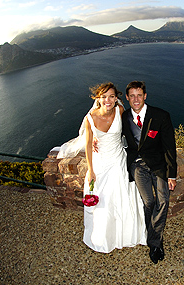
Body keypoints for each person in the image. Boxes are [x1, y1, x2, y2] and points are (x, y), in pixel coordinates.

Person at [61, 82, 146, 253]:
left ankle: (127, 235)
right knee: (104, 201)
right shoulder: (90, 118)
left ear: (116, 99)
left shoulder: (120, 111)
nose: (108, 100)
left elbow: (128, 131)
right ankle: (105, 237)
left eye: (111, 96)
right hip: (101, 163)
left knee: (124, 197)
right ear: (98, 99)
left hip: (119, 160)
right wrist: (91, 170)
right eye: (104, 97)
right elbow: (87, 145)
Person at [122, 81, 177, 264]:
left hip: (159, 165)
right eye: (132, 96)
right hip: (138, 166)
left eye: (139, 95)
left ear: (145, 96)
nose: (136, 99)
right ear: (128, 98)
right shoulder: (123, 117)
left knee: (163, 200)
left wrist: (171, 174)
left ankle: (154, 242)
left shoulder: (161, 116)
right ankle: (156, 241)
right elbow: (108, 130)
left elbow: (170, 147)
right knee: (149, 202)